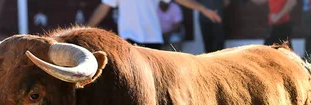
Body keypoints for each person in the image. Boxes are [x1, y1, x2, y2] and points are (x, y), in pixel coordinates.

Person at [87, 0, 221, 50]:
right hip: (129, 40)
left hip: (153, 39)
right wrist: (87, 28)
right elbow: (103, 8)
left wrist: (204, 9)